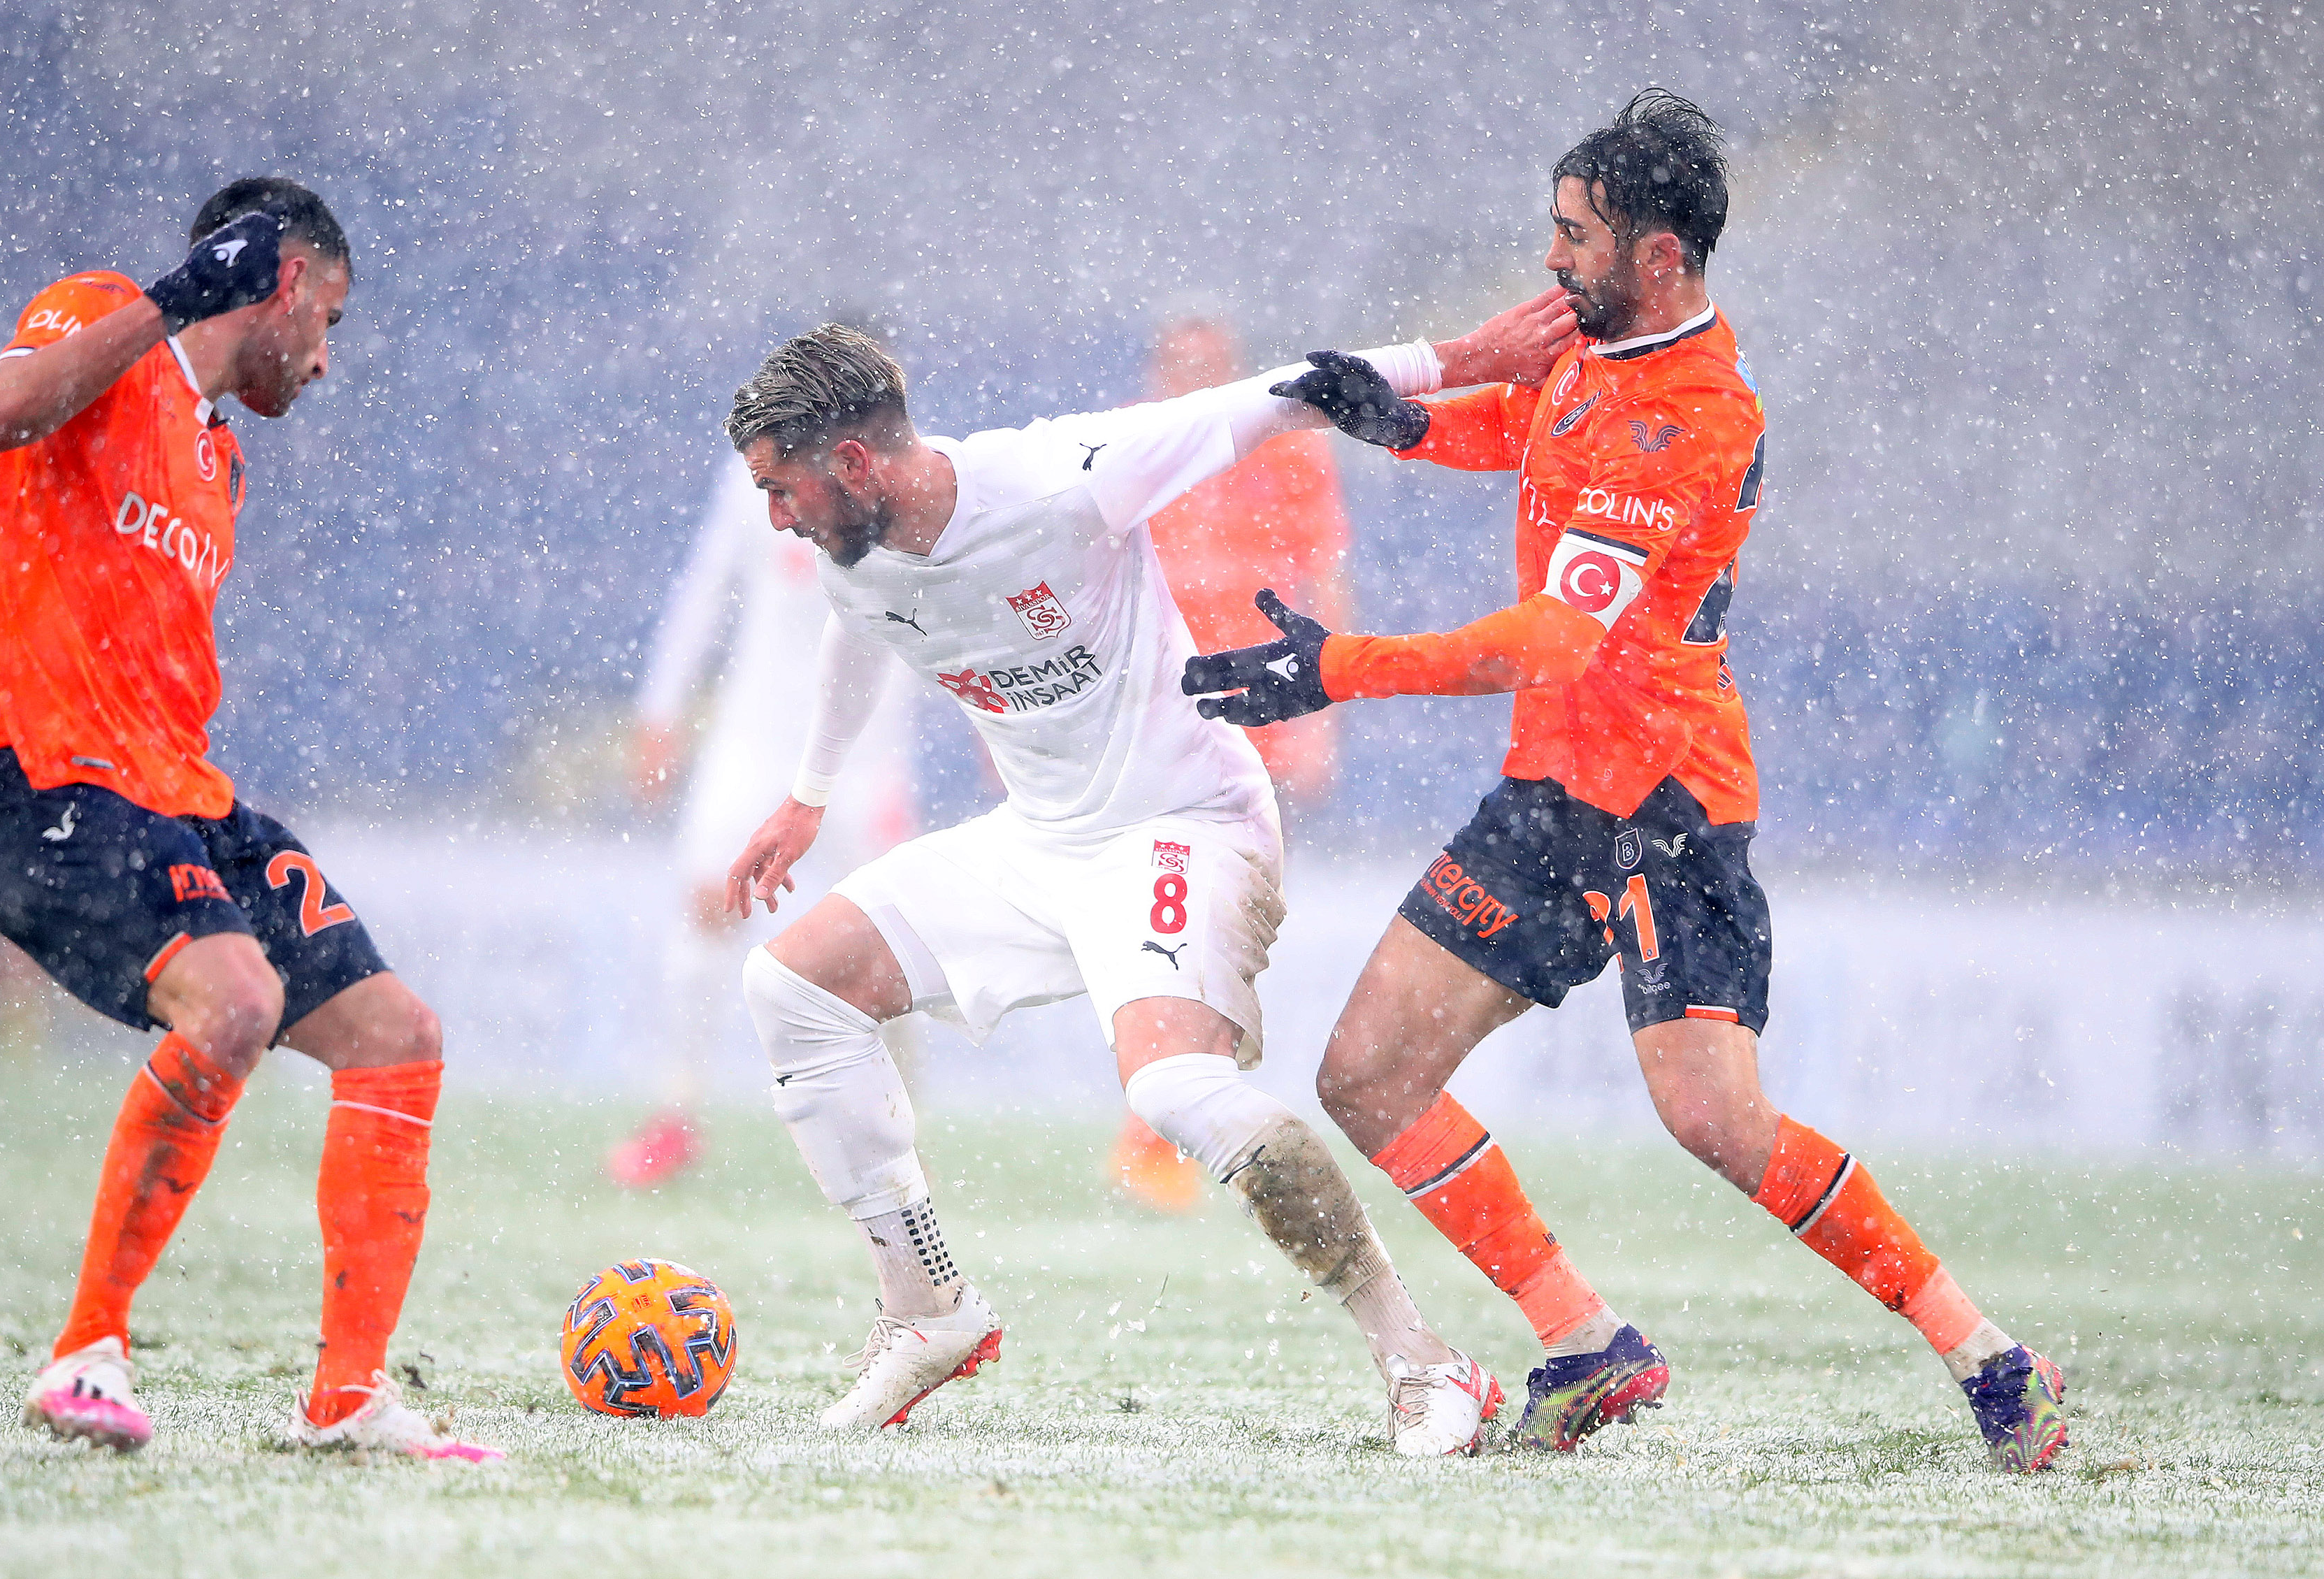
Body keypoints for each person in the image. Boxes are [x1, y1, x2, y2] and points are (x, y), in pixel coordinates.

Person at [1184, 90, 2067, 1471]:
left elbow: (1554, 637)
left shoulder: (1696, 414)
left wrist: (1338, 664)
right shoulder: (1593, 349)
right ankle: (1585, 1338)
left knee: (1717, 1121)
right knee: (1366, 1075)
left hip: (1666, 806)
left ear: (1661, 254)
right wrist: (1397, 420)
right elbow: (1518, 429)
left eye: (1575, 236)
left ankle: (1994, 1357)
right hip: (1551, 793)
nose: (1551, 260)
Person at [720, 309, 1571, 1454]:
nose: (775, 515)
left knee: (1174, 1088)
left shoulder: (1050, 477)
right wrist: (807, 792)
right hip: (1039, 840)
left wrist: (1467, 357)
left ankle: (1424, 1362)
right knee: (790, 987)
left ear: (855, 463)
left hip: (1184, 824)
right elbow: (856, 631)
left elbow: (1279, 394)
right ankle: (927, 1307)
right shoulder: (854, 555)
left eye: (782, 487)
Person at [0, 177, 497, 1462]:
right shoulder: (95, 317)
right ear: (282, 283)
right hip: (40, 777)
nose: (325, 359)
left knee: (397, 1036)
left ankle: (347, 1398)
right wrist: (181, 293)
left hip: (171, 790)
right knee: (236, 1001)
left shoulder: (218, 459)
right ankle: (87, 1351)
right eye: (330, 319)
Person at [611, 440, 921, 1188]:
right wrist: (662, 709)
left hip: (865, 754)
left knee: (902, 936)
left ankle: (905, 1135)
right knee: (706, 909)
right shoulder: (757, 472)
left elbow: (952, 610)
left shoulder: (913, 476)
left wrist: (988, 719)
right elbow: (709, 586)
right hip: (755, 744)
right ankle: (675, 1114)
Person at [1111, 308, 1357, 1213]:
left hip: (1260, 708)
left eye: (1207, 367)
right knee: (1172, 916)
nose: (1190, 383)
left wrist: (1324, 709)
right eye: (1178, 365)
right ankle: (1168, 1120)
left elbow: (1325, 573)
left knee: (1225, 921)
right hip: (1158, 709)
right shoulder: (1131, 447)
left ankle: (1169, 1120)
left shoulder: (1283, 448)